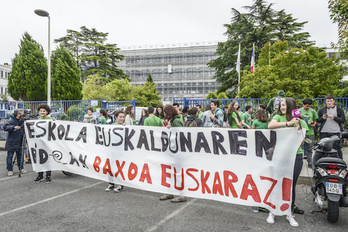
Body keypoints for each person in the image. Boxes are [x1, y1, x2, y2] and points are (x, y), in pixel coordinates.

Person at [267, 98, 308, 227]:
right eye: (281, 105)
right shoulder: (278, 117)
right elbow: (270, 126)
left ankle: (289, 213)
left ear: (291, 106)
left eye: (284, 105)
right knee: (277, 182)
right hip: (280, 155)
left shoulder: (300, 121)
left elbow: (301, 143)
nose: (282, 107)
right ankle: (272, 211)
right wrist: (288, 123)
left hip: (296, 156)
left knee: (291, 186)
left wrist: (298, 128)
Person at [159, 104, 185, 203]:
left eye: (165, 112)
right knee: (171, 171)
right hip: (173, 149)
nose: (164, 114)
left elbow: (179, 136)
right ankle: (171, 192)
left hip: (177, 150)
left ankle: (181, 195)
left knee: (178, 172)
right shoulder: (174, 121)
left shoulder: (176, 121)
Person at [317, 94, 345, 159]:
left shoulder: (339, 109)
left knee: (336, 148)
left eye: (331, 101)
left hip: (336, 131)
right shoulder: (322, 110)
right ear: (325, 101)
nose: (329, 102)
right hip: (324, 132)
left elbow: (343, 120)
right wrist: (323, 118)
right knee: (324, 148)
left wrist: (334, 118)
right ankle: (324, 161)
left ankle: (339, 161)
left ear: (333, 101)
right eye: (328, 101)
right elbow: (318, 120)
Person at [105, 110, 126, 193]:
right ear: (116, 117)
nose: (122, 118)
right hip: (111, 149)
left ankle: (120, 184)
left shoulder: (126, 126)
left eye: (123, 117)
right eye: (120, 117)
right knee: (109, 166)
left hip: (121, 150)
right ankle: (111, 183)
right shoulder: (111, 126)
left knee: (119, 167)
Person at [34, 103, 55, 183]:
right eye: (40, 111)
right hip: (39, 143)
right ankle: (40, 175)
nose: (42, 112)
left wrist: (54, 121)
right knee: (39, 159)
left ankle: (48, 175)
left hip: (47, 143)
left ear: (47, 112)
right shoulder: (38, 121)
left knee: (48, 159)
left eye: (44, 111)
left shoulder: (50, 119)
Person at [4, 109, 26, 176]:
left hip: (20, 141)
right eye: (20, 114)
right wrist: (13, 127)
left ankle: (21, 168)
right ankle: (10, 170)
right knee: (10, 156)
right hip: (12, 142)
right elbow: (5, 127)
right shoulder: (11, 120)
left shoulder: (22, 121)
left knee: (20, 156)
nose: (22, 115)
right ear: (17, 114)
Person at [300, 98, 319, 167]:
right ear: (303, 105)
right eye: (307, 106)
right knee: (300, 148)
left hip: (310, 132)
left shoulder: (313, 111)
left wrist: (313, 123)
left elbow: (315, 120)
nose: (308, 107)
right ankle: (299, 162)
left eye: (309, 106)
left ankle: (310, 162)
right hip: (301, 132)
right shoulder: (299, 111)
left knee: (309, 148)